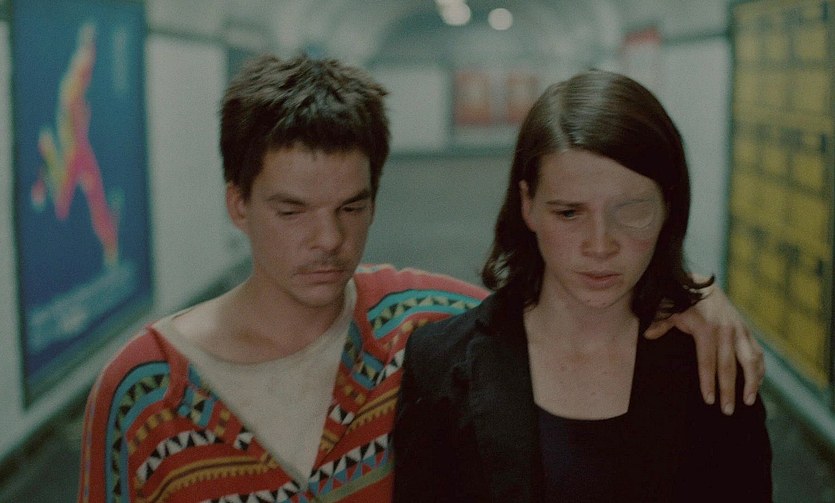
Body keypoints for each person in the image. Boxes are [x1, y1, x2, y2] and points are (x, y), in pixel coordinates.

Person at [78, 55, 764, 502]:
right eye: (291, 210)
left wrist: (697, 294)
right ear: (237, 203)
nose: (328, 239)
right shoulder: (143, 389)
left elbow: (566, 301)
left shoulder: (419, 320)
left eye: (352, 207)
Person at [393, 69, 772, 502]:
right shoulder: (440, 364)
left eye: (631, 210)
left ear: (669, 206)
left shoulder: (714, 364)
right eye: (569, 213)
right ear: (527, 205)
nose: (600, 245)